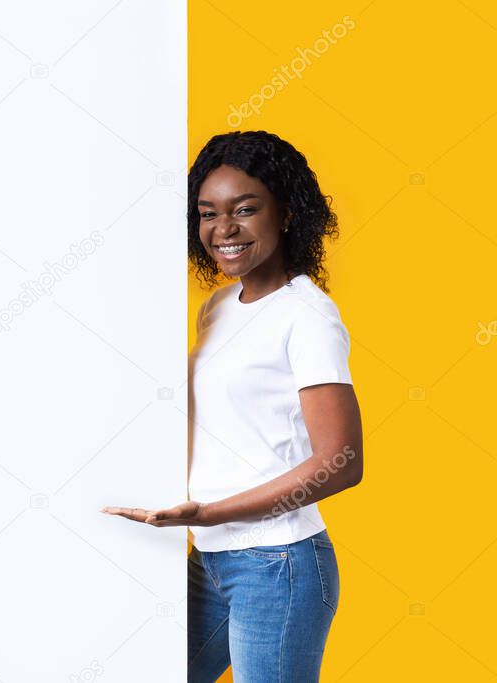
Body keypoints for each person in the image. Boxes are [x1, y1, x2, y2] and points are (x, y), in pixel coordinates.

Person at [103, 130, 363, 682]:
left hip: (278, 566)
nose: (223, 230)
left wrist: (213, 512)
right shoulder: (219, 306)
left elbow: (342, 460)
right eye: (207, 213)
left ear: (287, 213)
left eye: (245, 210)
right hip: (208, 561)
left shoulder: (307, 317)